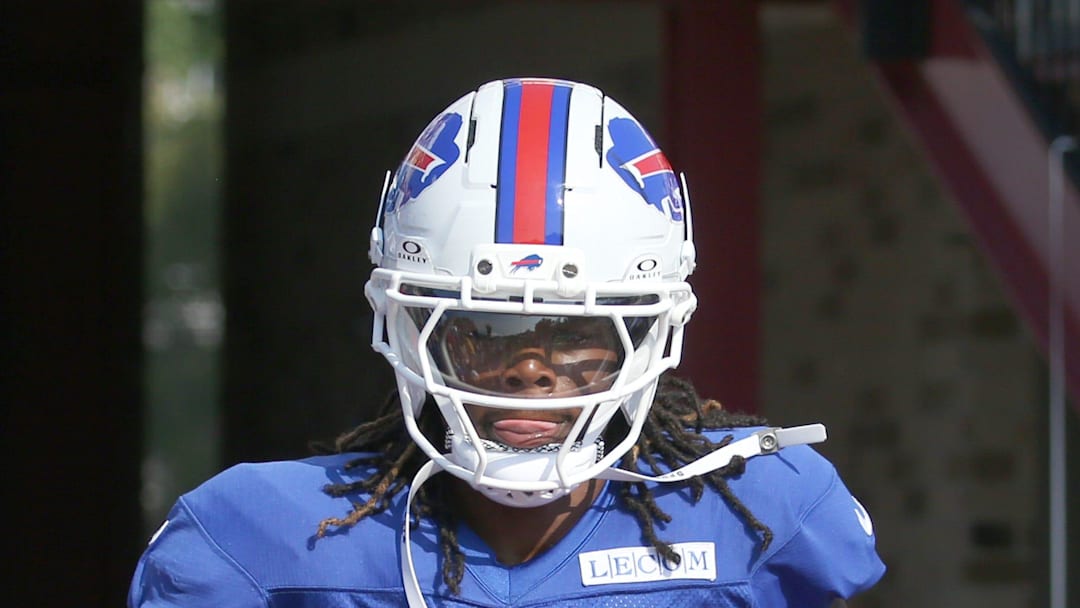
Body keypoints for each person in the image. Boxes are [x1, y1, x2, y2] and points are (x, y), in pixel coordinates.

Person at [129, 77, 885, 607]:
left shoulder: (762, 512)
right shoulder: (259, 536)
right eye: (484, 332)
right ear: (408, 327)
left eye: (575, 334)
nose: (530, 372)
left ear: (652, 335)